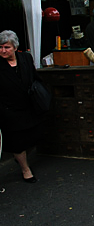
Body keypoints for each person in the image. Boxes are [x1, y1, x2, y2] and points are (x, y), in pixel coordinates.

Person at [0, 30, 44, 183]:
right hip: (9, 109)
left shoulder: (25, 58)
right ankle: (26, 169)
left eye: (7, 47)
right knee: (17, 142)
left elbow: (34, 77)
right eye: (0, 47)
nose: (3, 51)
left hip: (28, 105)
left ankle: (19, 158)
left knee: (34, 135)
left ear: (15, 47)